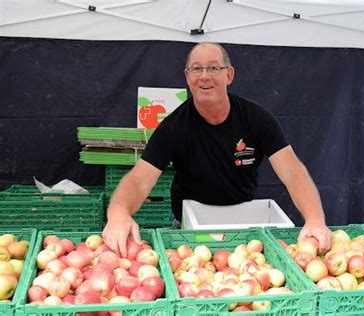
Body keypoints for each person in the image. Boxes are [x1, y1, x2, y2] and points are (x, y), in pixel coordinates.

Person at [103, 42, 332, 257]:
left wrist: (314, 219)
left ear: (229, 74)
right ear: (187, 77)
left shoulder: (257, 119)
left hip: (244, 231)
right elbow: (139, 179)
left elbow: (292, 171)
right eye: (196, 69)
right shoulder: (173, 127)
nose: (205, 76)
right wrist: (118, 212)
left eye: (213, 68)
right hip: (189, 229)